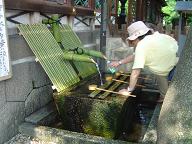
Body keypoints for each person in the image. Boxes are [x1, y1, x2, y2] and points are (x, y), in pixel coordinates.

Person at [109, 21, 178, 103]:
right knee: (160, 75)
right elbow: (135, 56)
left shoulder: (141, 46)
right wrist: (119, 62)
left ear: (136, 38)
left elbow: (135, 73)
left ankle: (165, 98)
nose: (133, 43)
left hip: (168, 70)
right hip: (177, 63)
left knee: (168, 92)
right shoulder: (157, 36)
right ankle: (164, 96)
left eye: (132, 41)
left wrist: (129, 90)